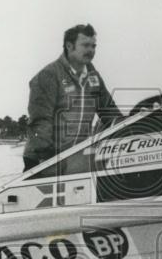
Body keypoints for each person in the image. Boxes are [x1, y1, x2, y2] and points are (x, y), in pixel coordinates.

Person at [23, 23, 122, 171]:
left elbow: (110, 113)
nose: (91, 50)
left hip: (77, 158)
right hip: (45, 159)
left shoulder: (93, 77)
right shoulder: (49, 75)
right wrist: (43, 157)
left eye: (94, 46)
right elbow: (41, 120)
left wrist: (130, 131)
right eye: (85, 45)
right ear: (69, 46)